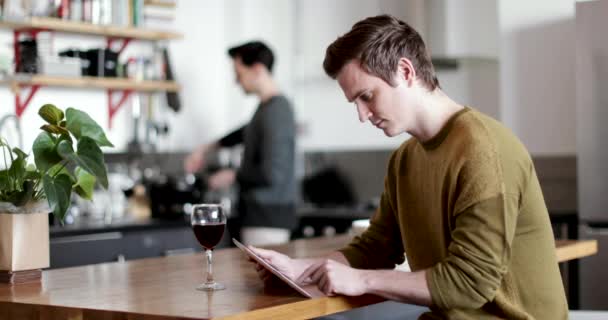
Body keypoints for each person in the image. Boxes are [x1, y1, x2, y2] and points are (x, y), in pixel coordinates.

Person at [248, 15, 568, 319]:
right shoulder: (405, 160)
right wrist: (298, 269)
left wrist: (361, 280)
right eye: (355, 103)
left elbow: (470, 283)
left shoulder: (483, 149)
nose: (363, 115)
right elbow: (377, 246)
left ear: (405, 71)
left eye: (368, 96)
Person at [184, 41, 296, 247]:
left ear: (257, 69)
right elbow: (244, 133)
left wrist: (232, 175)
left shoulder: (276, 112)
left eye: (239, 73)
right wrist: (204, 149)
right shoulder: (266, 109)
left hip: (267, 219)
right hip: (262, 217)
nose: (236, 81)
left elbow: (272, 174)